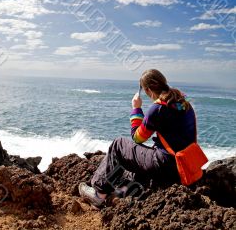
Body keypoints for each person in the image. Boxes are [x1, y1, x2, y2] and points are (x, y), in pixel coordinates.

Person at [79, 68, 196, 207]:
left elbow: (137, 138)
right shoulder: (184, 104)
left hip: (165, 164)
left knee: (118, 144)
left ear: (147, 90)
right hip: (183, 165)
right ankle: (120, 194)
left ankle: (99, 194)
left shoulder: (157, 109)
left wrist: (136, 108)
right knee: (136, 167)